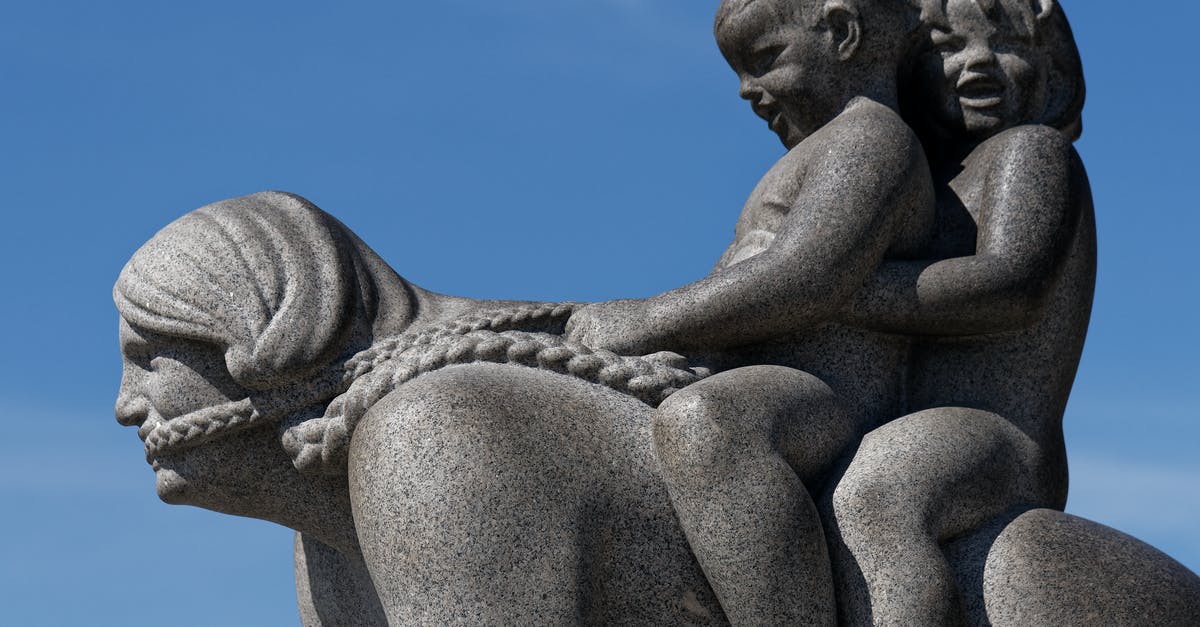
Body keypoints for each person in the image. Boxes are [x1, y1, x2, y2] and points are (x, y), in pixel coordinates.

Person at [563, 0, 934, 622]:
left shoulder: (871, 138)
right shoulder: (813, 153)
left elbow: (805, 277)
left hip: (826, 392)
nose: (746, 90)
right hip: (765, 376)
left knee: (710, 421)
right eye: (739, 71)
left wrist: (644, 319)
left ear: (842, 33)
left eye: (765, 61)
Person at [824, 0, 1094, 623]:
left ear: (1051, 65)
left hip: (1002, 434)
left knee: (878, 495)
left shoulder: (1031, 153)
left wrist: (835, 293)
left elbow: (1007, 284)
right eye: (945, 45)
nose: (976, 60)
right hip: (906, 421)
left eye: (1005, 41)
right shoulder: (926, 176)